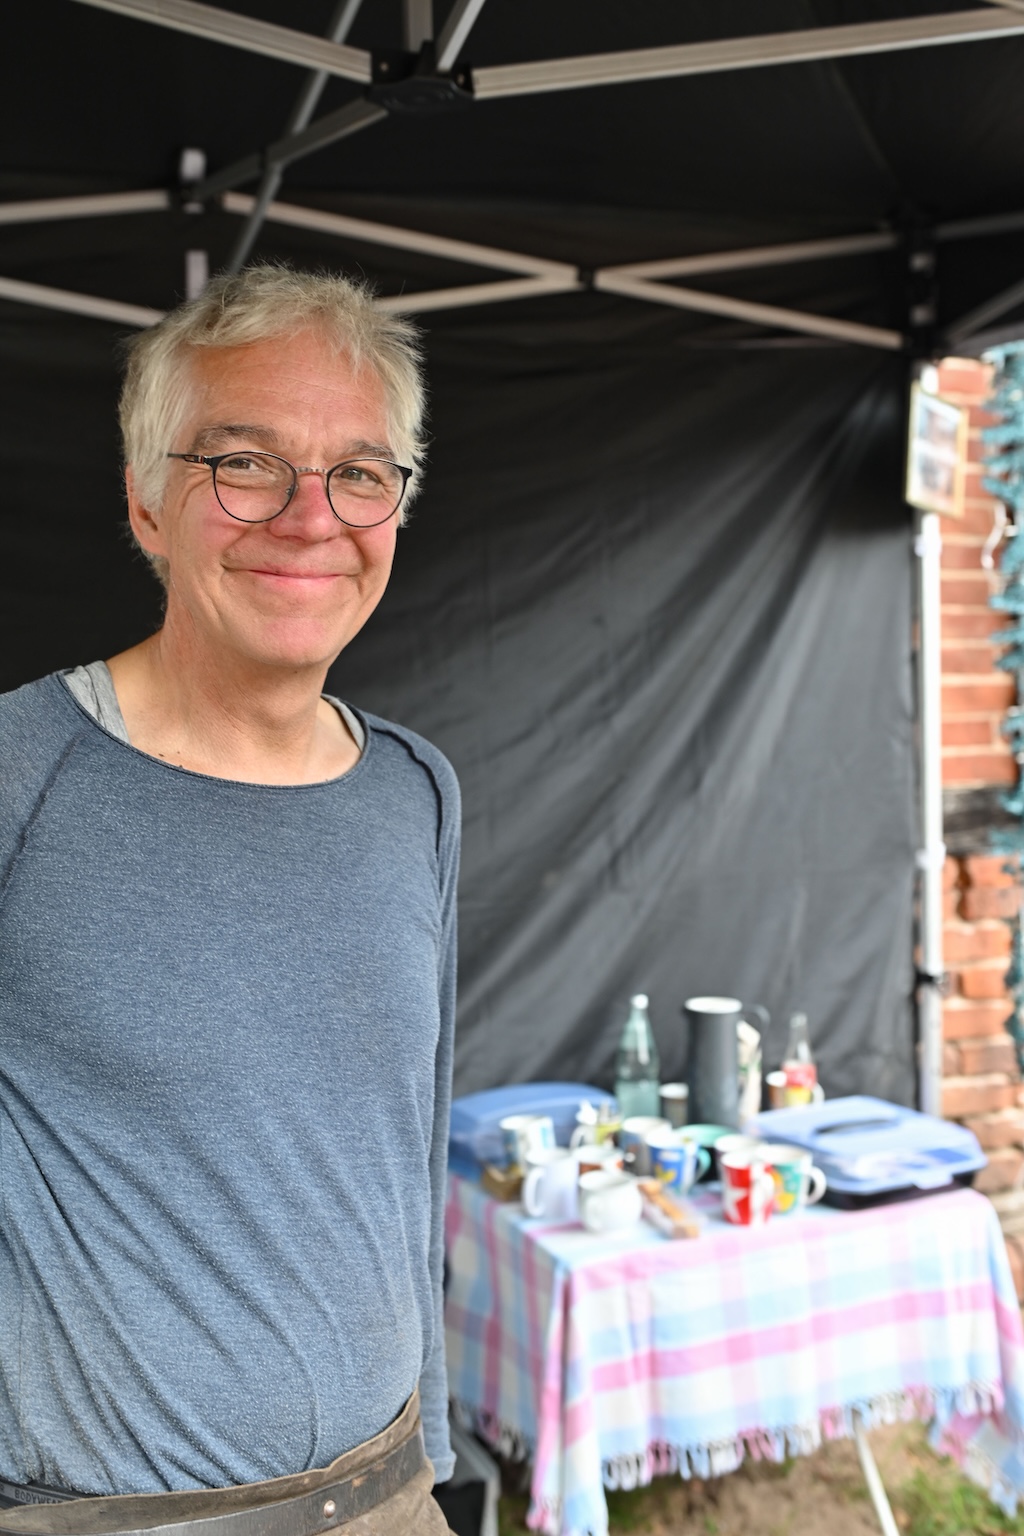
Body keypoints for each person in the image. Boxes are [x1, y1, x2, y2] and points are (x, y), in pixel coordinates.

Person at [0, 266, 459, 1535]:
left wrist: (433, 1446)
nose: (310, 518)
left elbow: (409, 1147)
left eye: (358, 472)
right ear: (146, 501)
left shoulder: (414, 790)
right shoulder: (21, 772)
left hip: (388, 1498)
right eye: (244, 463)